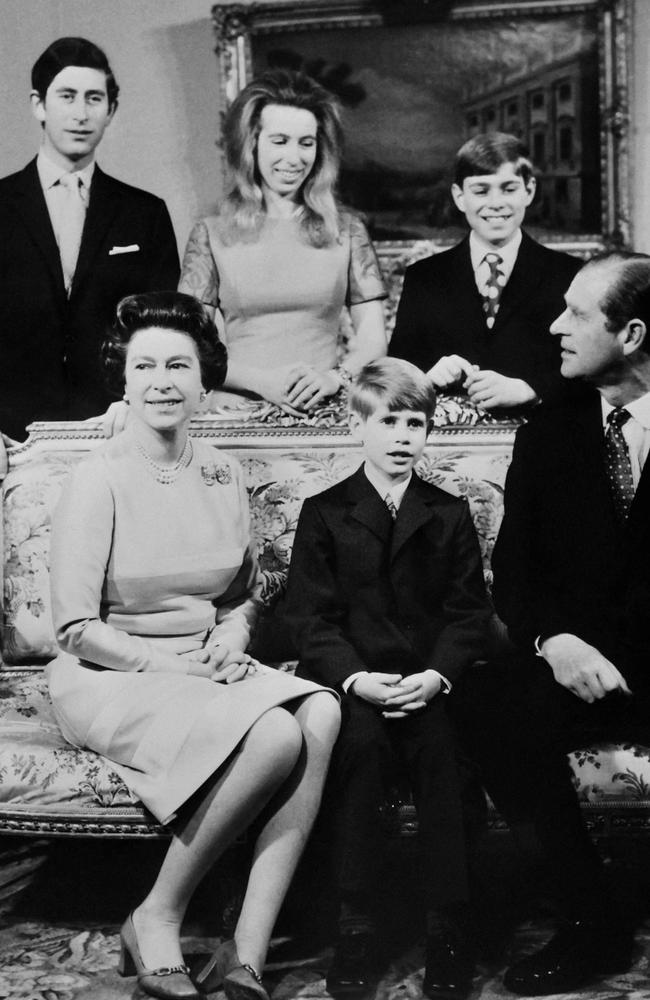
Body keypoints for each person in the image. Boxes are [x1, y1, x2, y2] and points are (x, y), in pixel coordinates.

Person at [46, 291, 340, 1000]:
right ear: (123, 380)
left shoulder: (222, 471)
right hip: (107, 674)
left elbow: (241, 592)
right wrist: (169, 662)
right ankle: (158, 911)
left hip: (201, 666)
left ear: (204, 380)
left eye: (178, 365)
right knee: (272, 733)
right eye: (144, 366)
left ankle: (248, 950)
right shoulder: (97, 477)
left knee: (321, 713)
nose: (161, 382)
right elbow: (73, 628)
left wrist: (235, 633)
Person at [283, 358, 489, 999]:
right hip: (359, 687)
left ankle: (448, 927)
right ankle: (356, 924)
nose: (403, 436)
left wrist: (436, 677)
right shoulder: (325, 512)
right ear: (358, 426)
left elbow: (467, 614)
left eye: (416, 423)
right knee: (363, 752)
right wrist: (354, 680)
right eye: (389, 421)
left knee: (442, 762)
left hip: (426, 684)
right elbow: (310, 619)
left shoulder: (448, 513)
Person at [472, 251, 650, 994]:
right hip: (583, 668)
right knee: (483, 705)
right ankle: (591, 919)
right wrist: (555, 642)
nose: (554, 326)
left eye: (576, 313)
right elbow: (515, 575)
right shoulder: (549, 430)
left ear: (633, 332)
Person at [0, 37, 179, 442]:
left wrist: (136, 404)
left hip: (118, 425)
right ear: (38, 105)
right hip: (9, 432)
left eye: (94, 98)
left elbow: (164, 328)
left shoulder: (144, 212)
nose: (81, 113)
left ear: (111, 110)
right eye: (67, 96)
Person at [179, 69, 387, 415]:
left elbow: (373, 340)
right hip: (238, 415)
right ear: (251, 145)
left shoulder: (348, 231)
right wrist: (262, 383)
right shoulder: (210, 233)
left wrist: (333, 380)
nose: (294, 158)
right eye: (279, 141)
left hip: (325, 411)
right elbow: (189, 345)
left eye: (306, 143)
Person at [389, 132, 581, 412]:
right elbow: (397, 373)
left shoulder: (570, 274)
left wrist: (530, 389)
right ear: (459, 197)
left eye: (509, 188)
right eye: (481, 191)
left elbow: (594, 370)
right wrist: (426, 378)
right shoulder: (425, 277)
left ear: (529, 190)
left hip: (545, 438)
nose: (495, 203)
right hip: (450, 442)